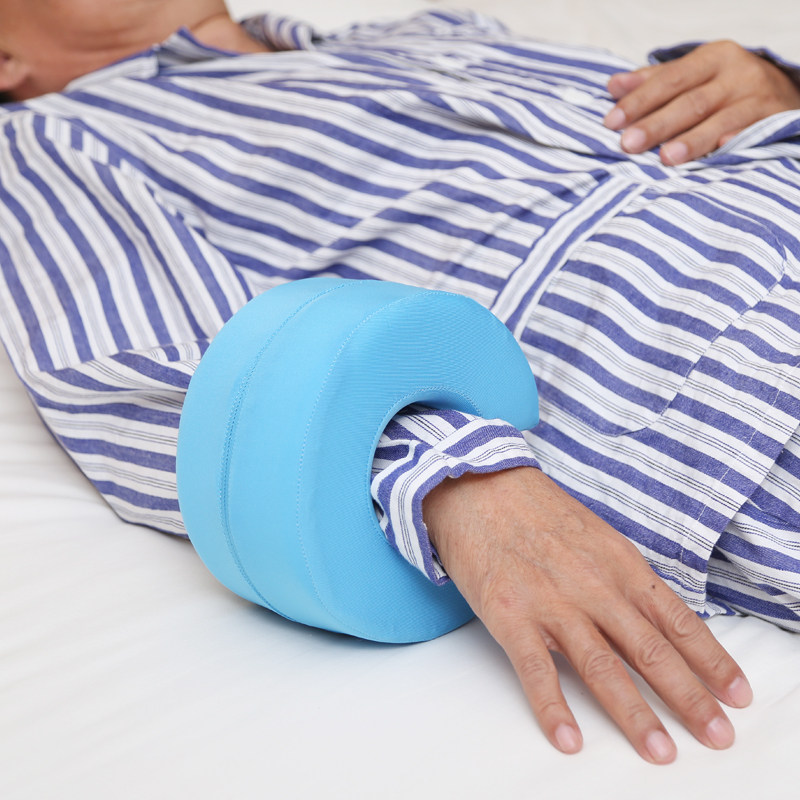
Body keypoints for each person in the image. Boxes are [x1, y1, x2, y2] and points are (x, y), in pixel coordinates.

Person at [1, 0, 799, 766]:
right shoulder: (54, 139)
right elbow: (161, 373)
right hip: (744, 382)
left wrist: (776, 87)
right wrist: (455, 475)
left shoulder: (435, 27)